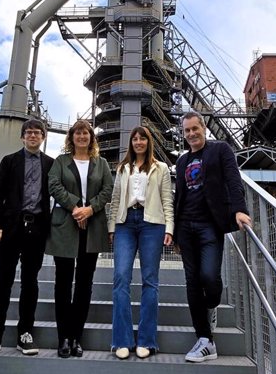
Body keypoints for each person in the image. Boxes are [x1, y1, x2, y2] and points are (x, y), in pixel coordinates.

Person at [173, 111, 252, 363]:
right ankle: (205, 339)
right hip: (185, 225)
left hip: (210, 224)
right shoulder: (182, 161)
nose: (191, 134)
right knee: (191, 282)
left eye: (195, 129)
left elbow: (233, 179)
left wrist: (240, 209)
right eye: (186, 131)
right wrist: (174, 232)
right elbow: (179, 197)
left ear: (203, 127)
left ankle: (212, 304)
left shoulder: (221, 150)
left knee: (208, 275)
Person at [0, 119, 54, 357]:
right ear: (22, 137)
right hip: (11, 227)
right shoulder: (9, 161)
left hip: (37, 228)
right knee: (4, 279)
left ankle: (25, 333)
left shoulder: (50, 164)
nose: (33, 136)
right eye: (29, 132)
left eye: (37, 133)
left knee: (30, 282)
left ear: (43, 137)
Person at [46, 119, 113, 358]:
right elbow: (53, 185)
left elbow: (107, 189)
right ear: (71, 137)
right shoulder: (61, 162)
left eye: (86, 133)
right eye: (78, 133)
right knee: (63, 284)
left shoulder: (101, 163)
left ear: (91, 138)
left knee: (84, 284)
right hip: (65, 226)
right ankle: (63, 337)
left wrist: (89, 209)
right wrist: (76, 207)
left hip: (92, 226)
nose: (82, 137)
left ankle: (77, 337)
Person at [108, 126, 173, 360]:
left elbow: (167, 198)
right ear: (131, 143)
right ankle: (122, 340)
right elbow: (116, 199)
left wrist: (170, 228)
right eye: (134, 139)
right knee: (121, 278)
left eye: (142, 138)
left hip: (152, 223)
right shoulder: (123, 168)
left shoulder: (161, 168)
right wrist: (112, 227)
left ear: (148, 141)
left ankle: (147, 340)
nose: (138, 142)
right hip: (126, 222)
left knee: (150, 281)